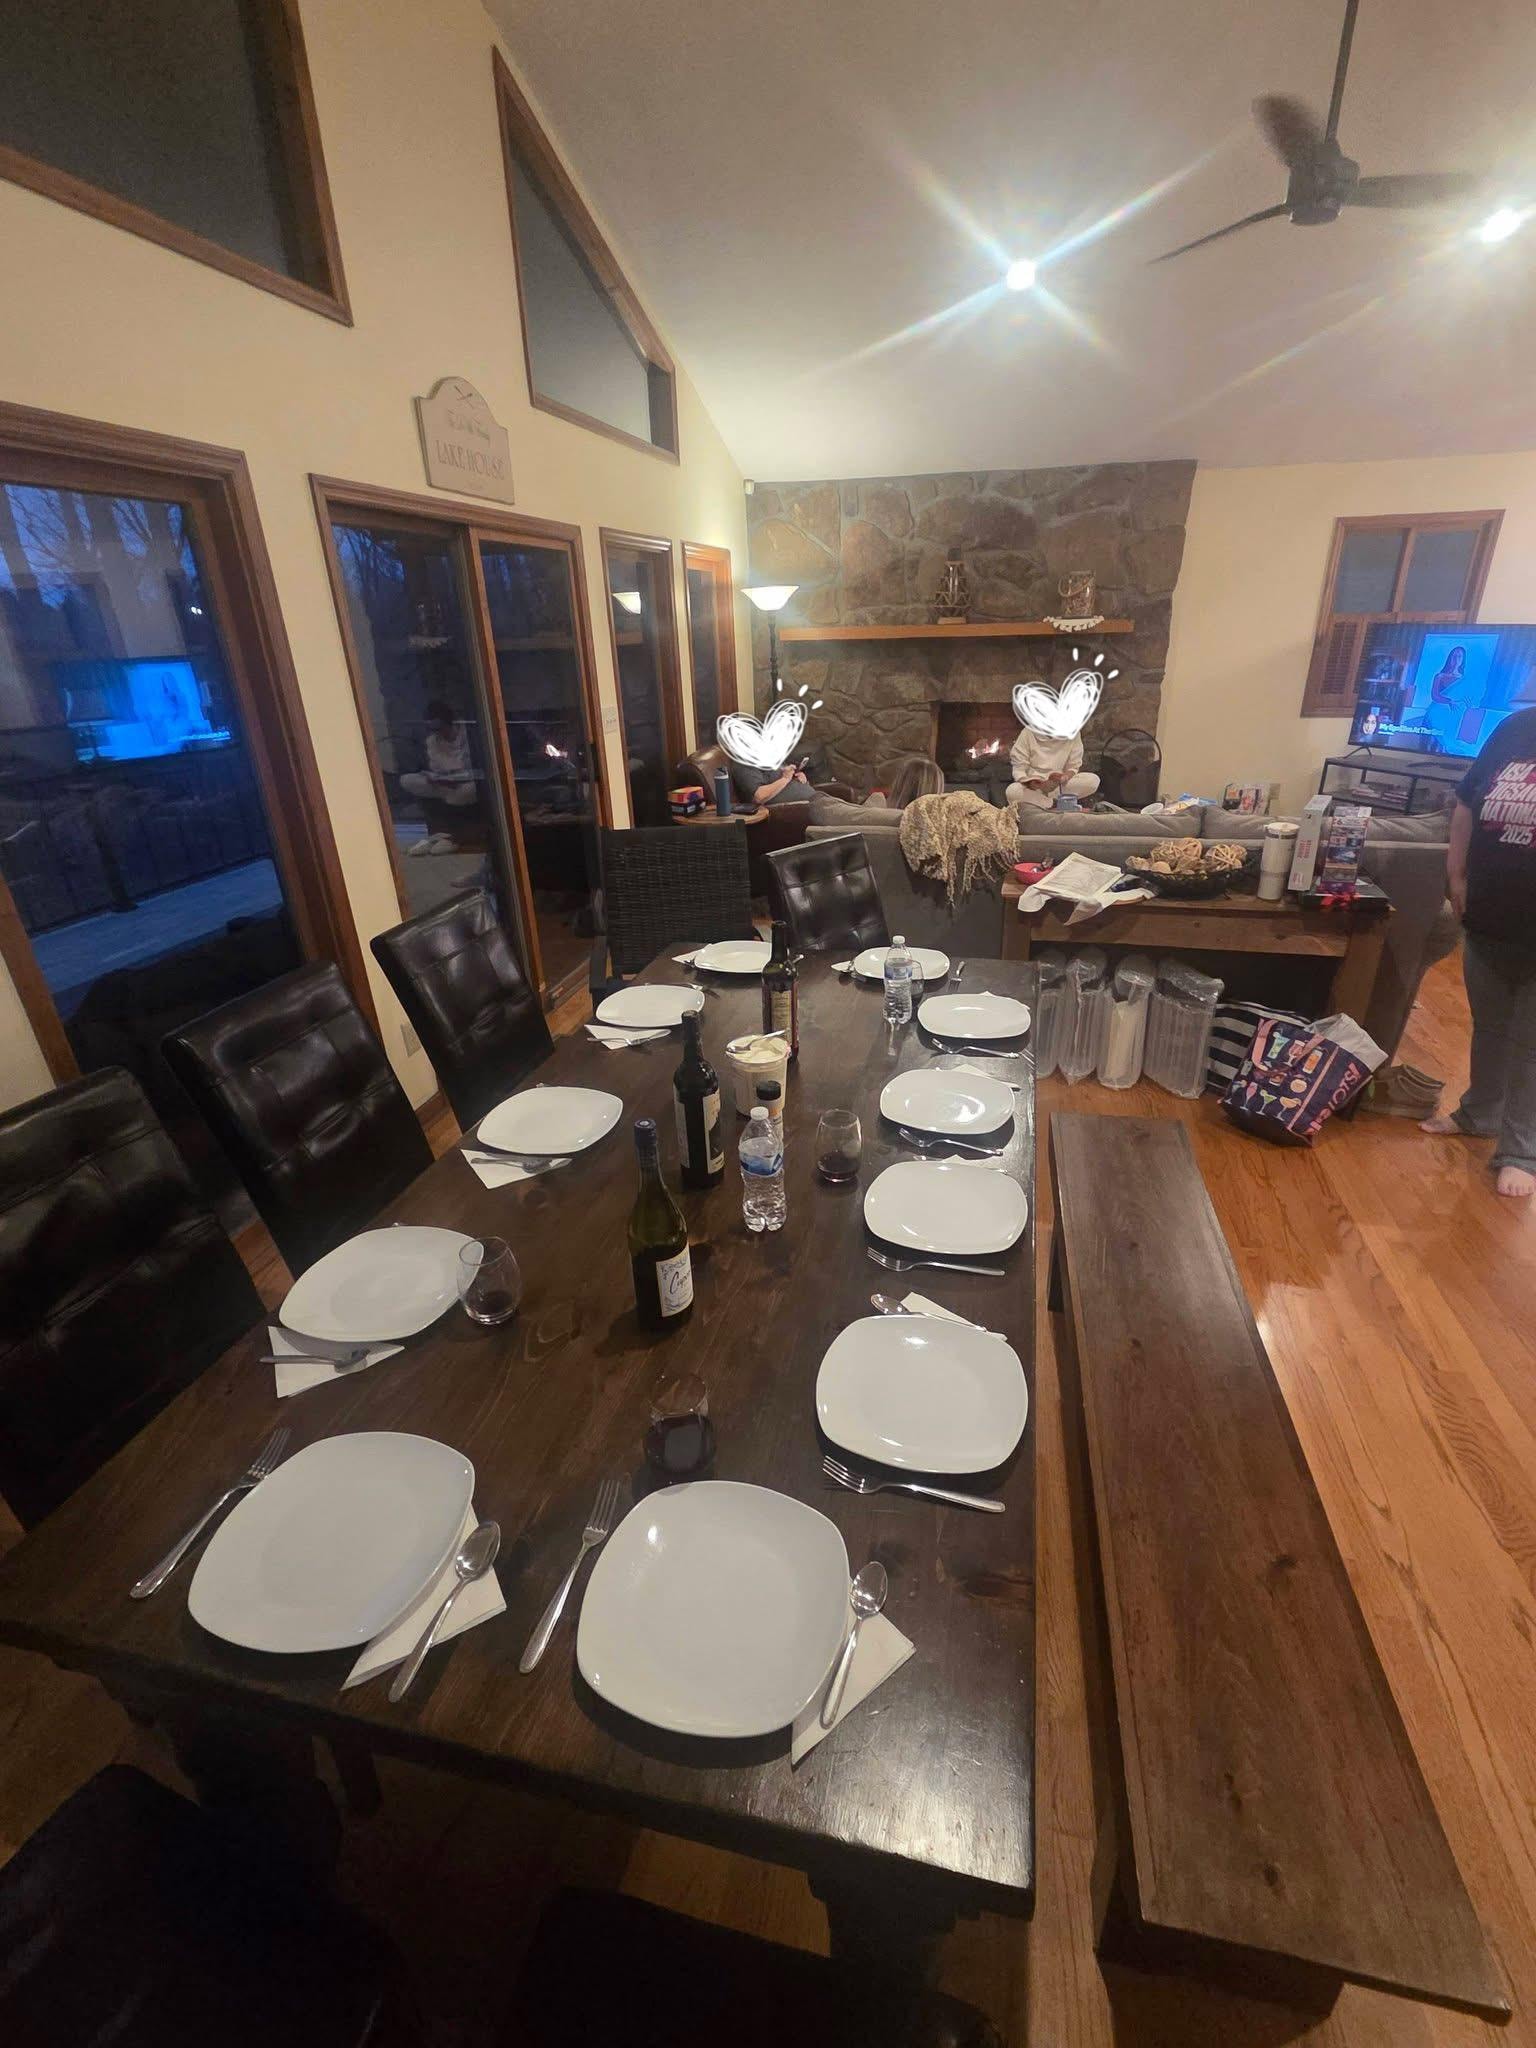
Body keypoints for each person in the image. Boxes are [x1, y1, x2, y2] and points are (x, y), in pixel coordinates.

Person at [1420, 694, 1536, 1197]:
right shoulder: (1515, 728)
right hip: (1489, 914)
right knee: (1490, 1025)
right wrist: (1456, 874)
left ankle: (1521, 1152)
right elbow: (1467, 804)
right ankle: (1479, 1115)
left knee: (1531, 1044)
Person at [400, 698, 476, 853]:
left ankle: (452, 837)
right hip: (444, 783)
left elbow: (471, 766)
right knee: (407, 780)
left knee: (466, 791)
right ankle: (439, 836)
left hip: (468, 782)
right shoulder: (432, 741)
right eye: (434, 729)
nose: (438, 732)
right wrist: (436, 777)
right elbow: (436, 766)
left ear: (450, 722)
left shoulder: (469, 734)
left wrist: (452, 773)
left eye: (440, 728)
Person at [1005, 719, 1101, 812]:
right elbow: (1019, 768)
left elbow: (1073, 767)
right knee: (1012, 791)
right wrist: (1029, 782)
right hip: (1035, 788)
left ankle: (1044, 804)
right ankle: (1055, 804)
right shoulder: (1028, 732)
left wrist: (1064, 777)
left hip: (1058, 787)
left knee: (1093, 780)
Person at [730, 755, 810, 808]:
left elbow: (783, 778)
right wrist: (785, 779)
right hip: (795, 808)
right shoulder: (744, 763)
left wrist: (796, 778)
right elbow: (759, 796)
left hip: (810, 800)